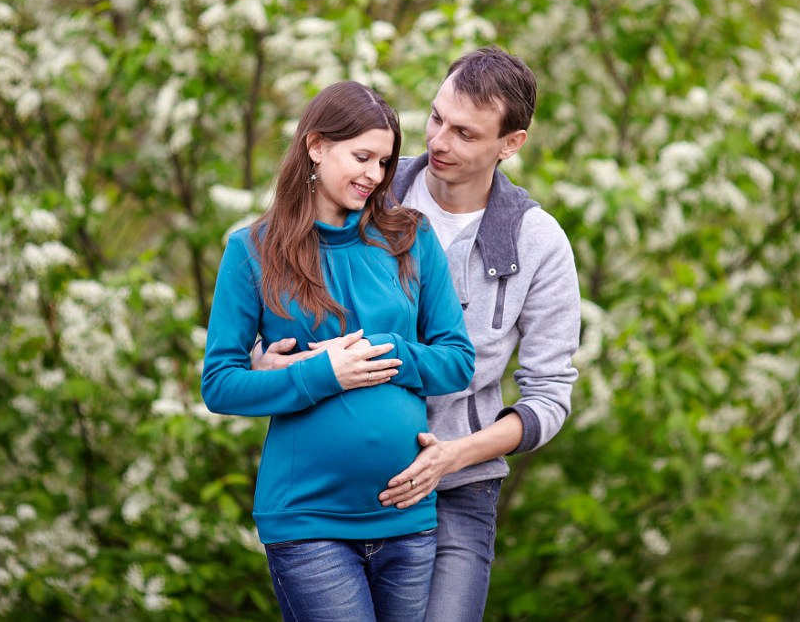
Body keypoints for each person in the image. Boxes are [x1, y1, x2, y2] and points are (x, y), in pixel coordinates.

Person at [258, 47, 582, 622]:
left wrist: (451, 456)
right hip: (337, 484)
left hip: (459, 488)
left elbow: (549, 396)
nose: (438, 141)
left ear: (510, 143)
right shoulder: (365, 186)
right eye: (436, 118)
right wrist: (264, 360)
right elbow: (277, 283)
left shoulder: (539, 243)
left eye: (465, 133)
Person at [200, 81, 476, 622]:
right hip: (307, 522)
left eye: (385, 162)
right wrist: (324, 373)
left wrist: (383, 350)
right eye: (362, 157)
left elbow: (457, 361)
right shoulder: (252, 250)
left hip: (407, 519)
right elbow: (220, 384)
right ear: (317, 146)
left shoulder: (410, 239)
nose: (375, 174)